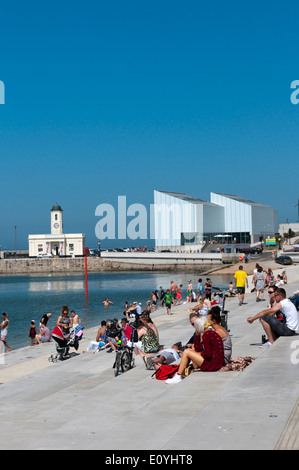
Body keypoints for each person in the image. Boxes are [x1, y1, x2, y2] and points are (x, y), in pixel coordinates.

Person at [165, 316, 225, 384]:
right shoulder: (208, 333)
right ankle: (179, 374)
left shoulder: (207, 335)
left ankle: (178, 376)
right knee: (188, 351)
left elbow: (208, 355)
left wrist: (197, 354)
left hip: (213, 364)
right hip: (216, 362)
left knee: (187, 352)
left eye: (195, 326)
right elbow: (198, 348)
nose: (194, 328)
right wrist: (197, 335)